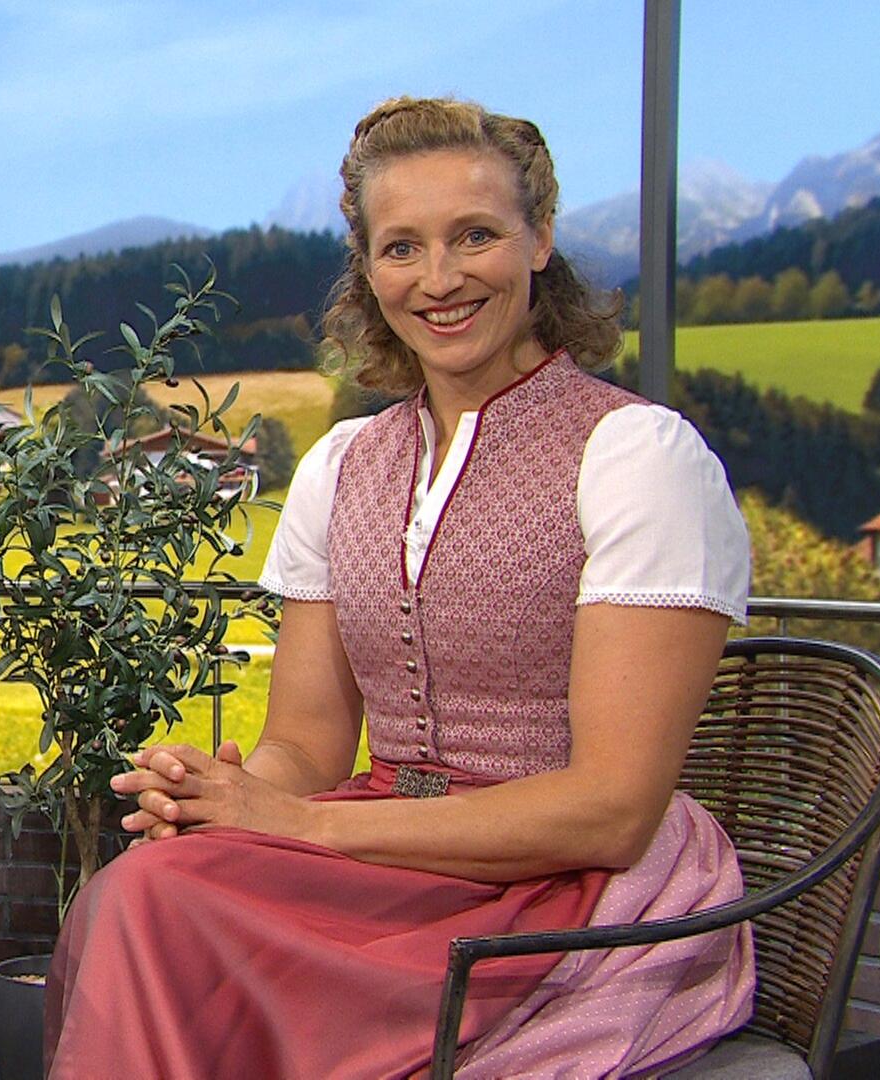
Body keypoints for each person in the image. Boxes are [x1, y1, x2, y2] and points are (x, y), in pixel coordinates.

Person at [45, 97, 754, 1078]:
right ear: (368, 269)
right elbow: (307, 745)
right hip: (378, 852)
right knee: (137, 890)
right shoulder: (344, 466)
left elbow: (613, 808)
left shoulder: (636, 456)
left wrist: (301, 822)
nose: (440, 278)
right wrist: (231, 794)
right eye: (401, 248)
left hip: (557, 885)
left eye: (476, 236)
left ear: (541, 239)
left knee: (158, 914)